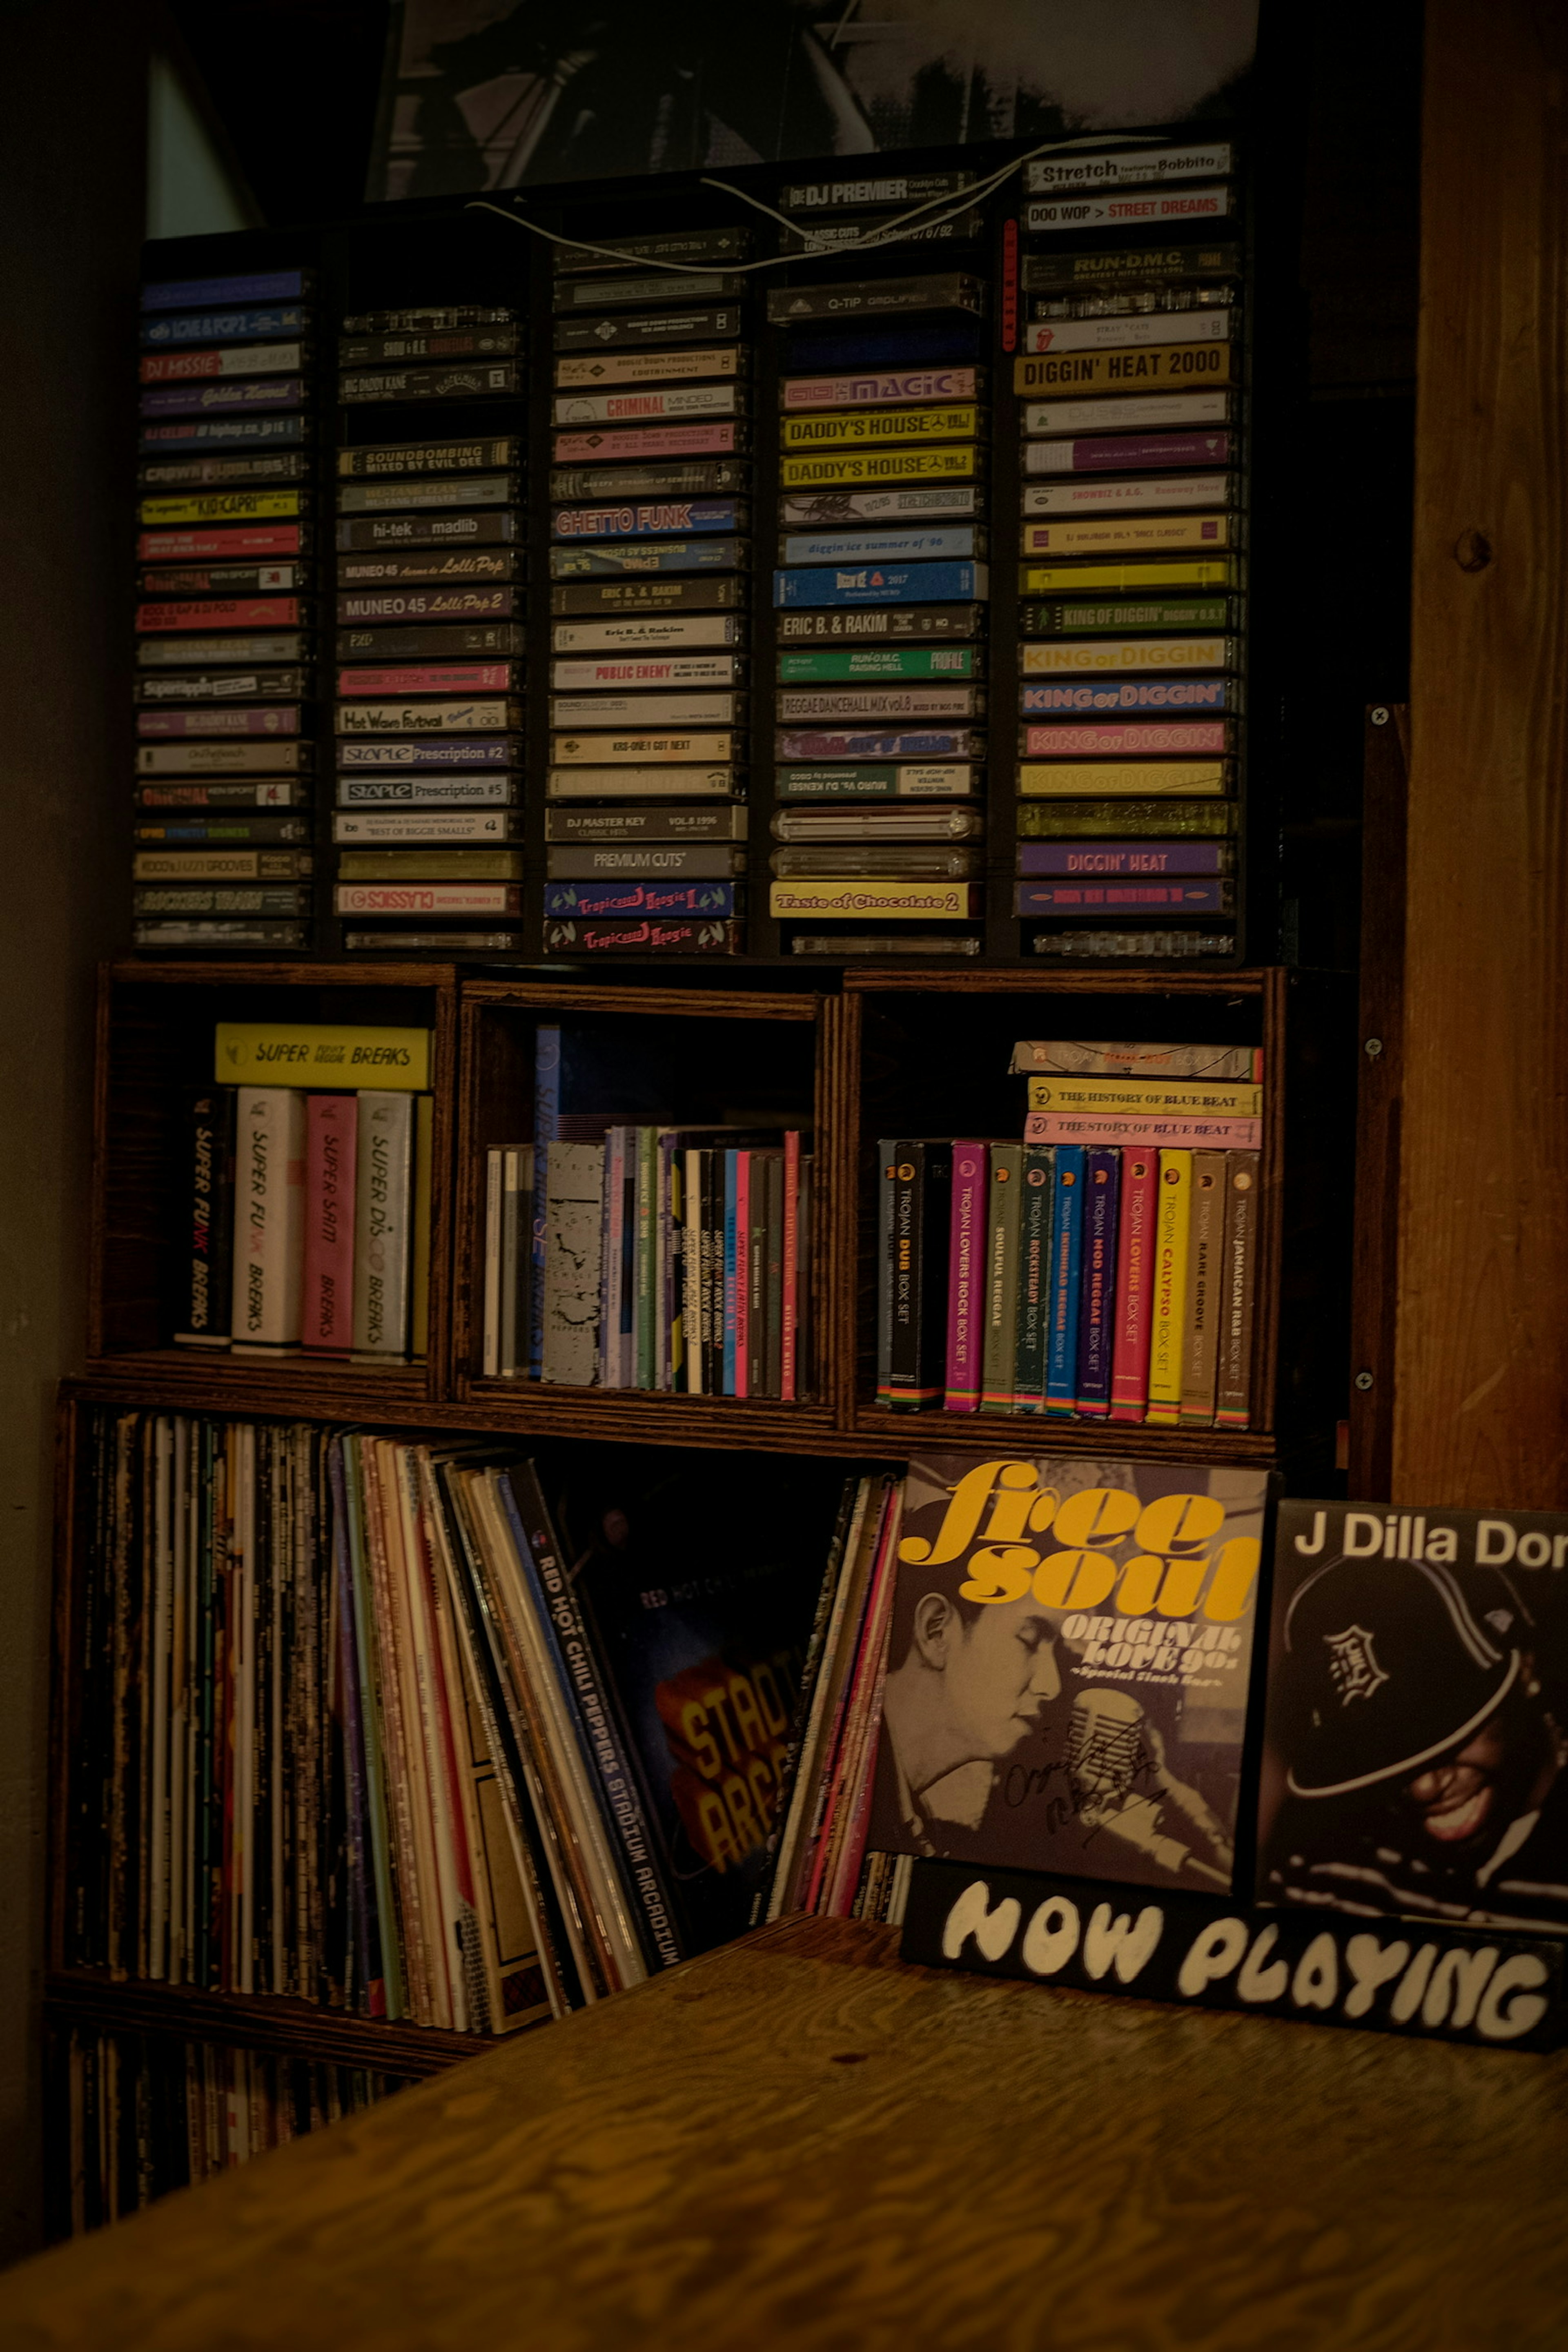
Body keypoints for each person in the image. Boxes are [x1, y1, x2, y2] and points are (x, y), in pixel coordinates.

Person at [1262, 1553, 1568, 1931]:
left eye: (1444, 1738)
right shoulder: (1326, 1868)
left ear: (1525, 1672)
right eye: (1381, 1754)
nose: (1423, 1789)